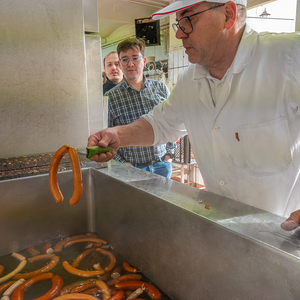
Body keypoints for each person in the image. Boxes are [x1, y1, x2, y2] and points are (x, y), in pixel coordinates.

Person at [88, 0, 300, 230]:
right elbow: (159, 125)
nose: (179, 33)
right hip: (224, 229)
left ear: (228, 14)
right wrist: (117, 134)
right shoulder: (190, 80)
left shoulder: (288, 57)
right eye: (178, 23)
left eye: (188, 19)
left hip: (284, 236)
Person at [103, 37, 176, 178]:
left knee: (162, 200)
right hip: (131, 169)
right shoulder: (111, 97)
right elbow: (107, 137)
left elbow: (172, 122)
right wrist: (122, 163)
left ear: (144, 61)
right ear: (120, 64)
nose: (130, 64)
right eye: (124, 59)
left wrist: (169, 154)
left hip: (162, 165)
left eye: (135, 58)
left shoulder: (160, 88)